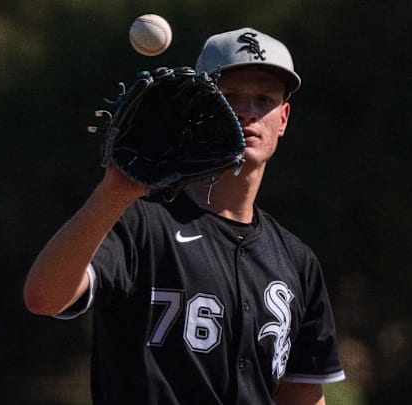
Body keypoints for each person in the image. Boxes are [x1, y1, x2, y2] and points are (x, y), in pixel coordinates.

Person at [23, 27, 346, 404]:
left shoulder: (296, 260)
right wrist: (114, 191)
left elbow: (303, 397)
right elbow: (43, 297)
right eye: (230, 97)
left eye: (264, 99)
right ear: (200, 107)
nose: (248, 112)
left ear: (284, 118)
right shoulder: (140, 223)